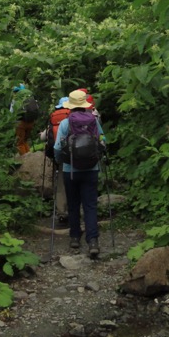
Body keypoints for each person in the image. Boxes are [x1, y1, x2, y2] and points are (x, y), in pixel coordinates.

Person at [54, 89, 106, 256]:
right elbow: (102, 141)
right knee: (90, 206)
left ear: (70, 107)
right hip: (91, 169)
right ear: (85, 105)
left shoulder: (65, 123)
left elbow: (56, 147)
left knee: (73, 205)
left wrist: (61, 161)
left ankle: (75, 238)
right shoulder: (94, 121)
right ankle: (93, 242)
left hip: (71, 170)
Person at [42, 97, 70, 223]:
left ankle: (61, 212)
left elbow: (45, 137)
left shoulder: (53, 117)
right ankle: (75, 209)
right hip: (75, 154)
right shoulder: (73, 115)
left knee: (60, 184)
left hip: (58, 155)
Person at [10, 83, 39, 155]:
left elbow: (11, 112)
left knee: (20, 142)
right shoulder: (30, 96)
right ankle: (29, 156)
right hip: (31, 122)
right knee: (25, 140)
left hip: (20, 123)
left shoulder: (16, 98)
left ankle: (24, 160)